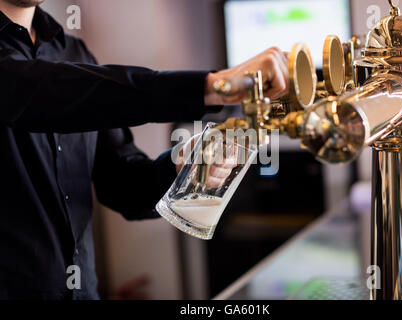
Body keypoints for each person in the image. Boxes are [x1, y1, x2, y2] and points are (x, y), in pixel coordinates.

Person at [0, 0, 289, 300]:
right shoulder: (55, 74)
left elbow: (123, 185)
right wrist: (213, 87)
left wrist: (181, 166)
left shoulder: (73, 53)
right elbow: (43, 89)